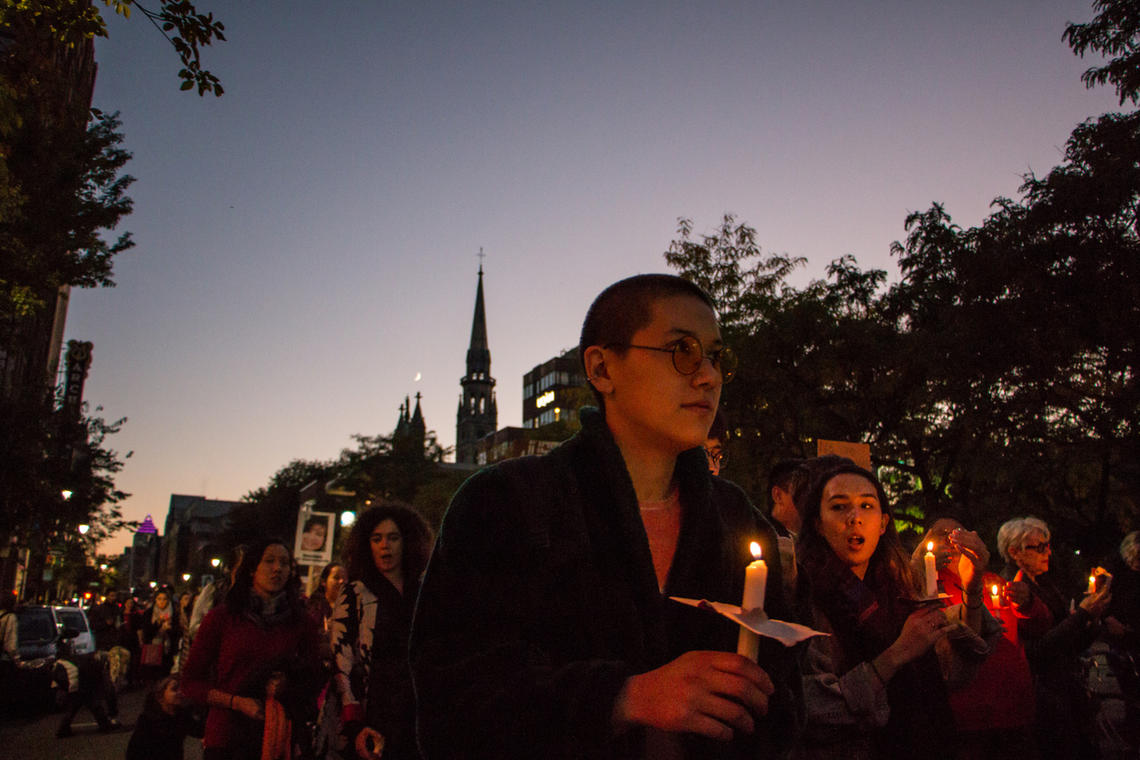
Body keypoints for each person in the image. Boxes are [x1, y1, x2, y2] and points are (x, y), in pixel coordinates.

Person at [411, 273, 798, 759]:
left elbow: (785, 696)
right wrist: (622, 697)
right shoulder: (507, 503)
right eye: (682, 351)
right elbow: (455, 702)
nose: (708, 376)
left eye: (717, 357)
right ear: (601, 368)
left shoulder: (738, 519)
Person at [794, 462, 991, 759]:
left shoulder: (899, 592)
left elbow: (955, 676)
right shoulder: (802, 596)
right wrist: (897, 653)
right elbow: (809, 708)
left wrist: (972, 585)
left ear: (884, 523)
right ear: (818, 524)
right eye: (839, 507)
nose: (854, 518)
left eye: (866, 506)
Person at [181, 537, 321, 760]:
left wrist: (289, 684)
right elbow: (190, 682)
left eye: (284, 563)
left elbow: (315, 675)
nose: (277, 569)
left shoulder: (301, 622)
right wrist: (237, 702)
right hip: (227, 736)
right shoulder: (222, 617)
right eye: (269, 561)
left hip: (279, 735)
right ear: (251, 570)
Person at [917, 517, 1034, 759]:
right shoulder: (923, 586)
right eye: (941, 535)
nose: (950, 540)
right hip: (966, 715)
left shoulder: (990, 580)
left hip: (1012, 707)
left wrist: (1029, 603)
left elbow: (1036, 626)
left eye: (957, 533)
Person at [998, 516, 1110, 760]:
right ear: (1014, 551)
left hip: (1064, 686)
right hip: (1043, 695)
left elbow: (1070, 644)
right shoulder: (1013, 590)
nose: (1047, 552)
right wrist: (1081, 615)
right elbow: (1036, 651)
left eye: (1048, 545)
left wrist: (1092, 619)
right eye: (1039, 547)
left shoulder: (1046, 584)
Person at [328, 504, 433, 760]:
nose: (385, 545)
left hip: (420, 715)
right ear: (367, 544)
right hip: (374, 715)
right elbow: (342, 664)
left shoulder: (425, 592)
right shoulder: (355, 594)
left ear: (407, 542)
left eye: (393, 538)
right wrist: (355, 726)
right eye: (377, 539)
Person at [175, 544, 244, 674]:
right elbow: (195, 628)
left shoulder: (258, 595)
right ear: (230, 568)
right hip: (215, 663)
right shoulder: (214, 590)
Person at [126, 674, 205, 760]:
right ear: (161, 695)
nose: (180, 693)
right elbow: (134, 751)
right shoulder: (148, 719)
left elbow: (199, 730)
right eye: (174, 689)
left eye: (181, 689)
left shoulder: (181, 715)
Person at [141, 588, 181, 678]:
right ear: (155, 600)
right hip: (153, 647)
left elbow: (177, 631)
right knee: (153, 673)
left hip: (168, 647)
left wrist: (169, 629)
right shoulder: (149, 613)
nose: (162, 602)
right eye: (159, 599)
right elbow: (146, 631)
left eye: (164, 599)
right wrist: (157, 624)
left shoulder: (174, 612)